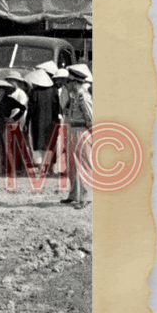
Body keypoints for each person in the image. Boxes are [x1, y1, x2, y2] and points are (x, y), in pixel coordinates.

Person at [61, 64, 93, 209]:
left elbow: (91, 118)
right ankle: (74, 195)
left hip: (82, 131)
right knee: (73, 165)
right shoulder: (75, 97)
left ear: (75, 81)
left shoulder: (83, 97)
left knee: (85, 165)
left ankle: (86, 197)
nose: (67, 84)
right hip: (74, 130)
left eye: (69, 81)